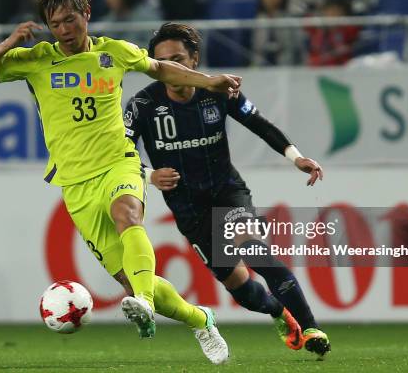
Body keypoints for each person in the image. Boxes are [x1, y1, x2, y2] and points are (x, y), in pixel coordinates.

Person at [0, 0, 241, 364]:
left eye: (71, 20)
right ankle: (200, 319)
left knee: (128, 213)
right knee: (128, 277)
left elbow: (160, 68)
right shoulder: (38, 59)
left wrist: (210, 80)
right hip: (75, 182)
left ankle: (141, 301)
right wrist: (10, 41)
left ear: (86, 14)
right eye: (55, 23)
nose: (64, 30)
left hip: (118, 162)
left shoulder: (114, 52)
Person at [124, 22, 331, 359]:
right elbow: (121, 151)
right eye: (164, 63)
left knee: (252, 248)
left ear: (194, 60)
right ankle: (280, 313)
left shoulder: (217, 91)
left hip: (227, 192)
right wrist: (148, 175)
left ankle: (310, 328)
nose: (172, 69)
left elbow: (260, 124)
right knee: (242, 290)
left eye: (178, 59)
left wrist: (296, 157)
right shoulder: (143, 105)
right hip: (189, 209)